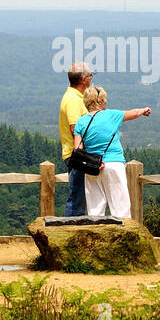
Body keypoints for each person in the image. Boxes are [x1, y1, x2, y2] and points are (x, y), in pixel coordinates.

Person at [72, 86, 151, 218]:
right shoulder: (112, 115)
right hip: (114, 164)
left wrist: (93, 162)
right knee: (120, 208)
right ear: (100, 101)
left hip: (92, 168)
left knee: (95, 210)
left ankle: (96, 234)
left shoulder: (81, 122)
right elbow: (134, 113)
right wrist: (144, 110)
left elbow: (77, 150)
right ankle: (123, 234)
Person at [58, 62, 93, 215]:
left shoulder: (75, 97)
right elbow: (74, 129)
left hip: (77, 155)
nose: (92, 78)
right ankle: (69, 232)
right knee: (76, 200)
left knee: (79, 198)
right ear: (84, 79)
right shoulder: (73, 100)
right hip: (77, 155)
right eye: (91, 75)